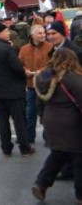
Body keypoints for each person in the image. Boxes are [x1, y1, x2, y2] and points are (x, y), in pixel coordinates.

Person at [32, 48, 82, 203]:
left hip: (50, 120)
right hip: (71, 122)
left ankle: (41, 184)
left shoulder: (44, 77)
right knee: (79, 157)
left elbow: (39, 101)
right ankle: (80, 194)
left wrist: (42, 116)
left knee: (59, 153)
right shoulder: (73, 78)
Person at [0, 21, 35, 157]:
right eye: (6, 31)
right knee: (20, 121)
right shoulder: (7, 49)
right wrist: (24, 75)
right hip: (13, 91)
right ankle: (25, 147)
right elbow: (17, 68)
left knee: (3, 122)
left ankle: (6, 147)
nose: (9, 33)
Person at [18, 25, 53, 144]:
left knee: (47, 113)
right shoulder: (24, 49)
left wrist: (42, 71)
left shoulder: (50, 47)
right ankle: (29, 136)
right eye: (39, 33)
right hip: (31, 86)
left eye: (44, 32)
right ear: (32, 35)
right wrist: (25, 71)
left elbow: (54, 65)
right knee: (30, 113)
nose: (43, 35)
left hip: (46, 86)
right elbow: (19, 64)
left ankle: (48, 137)